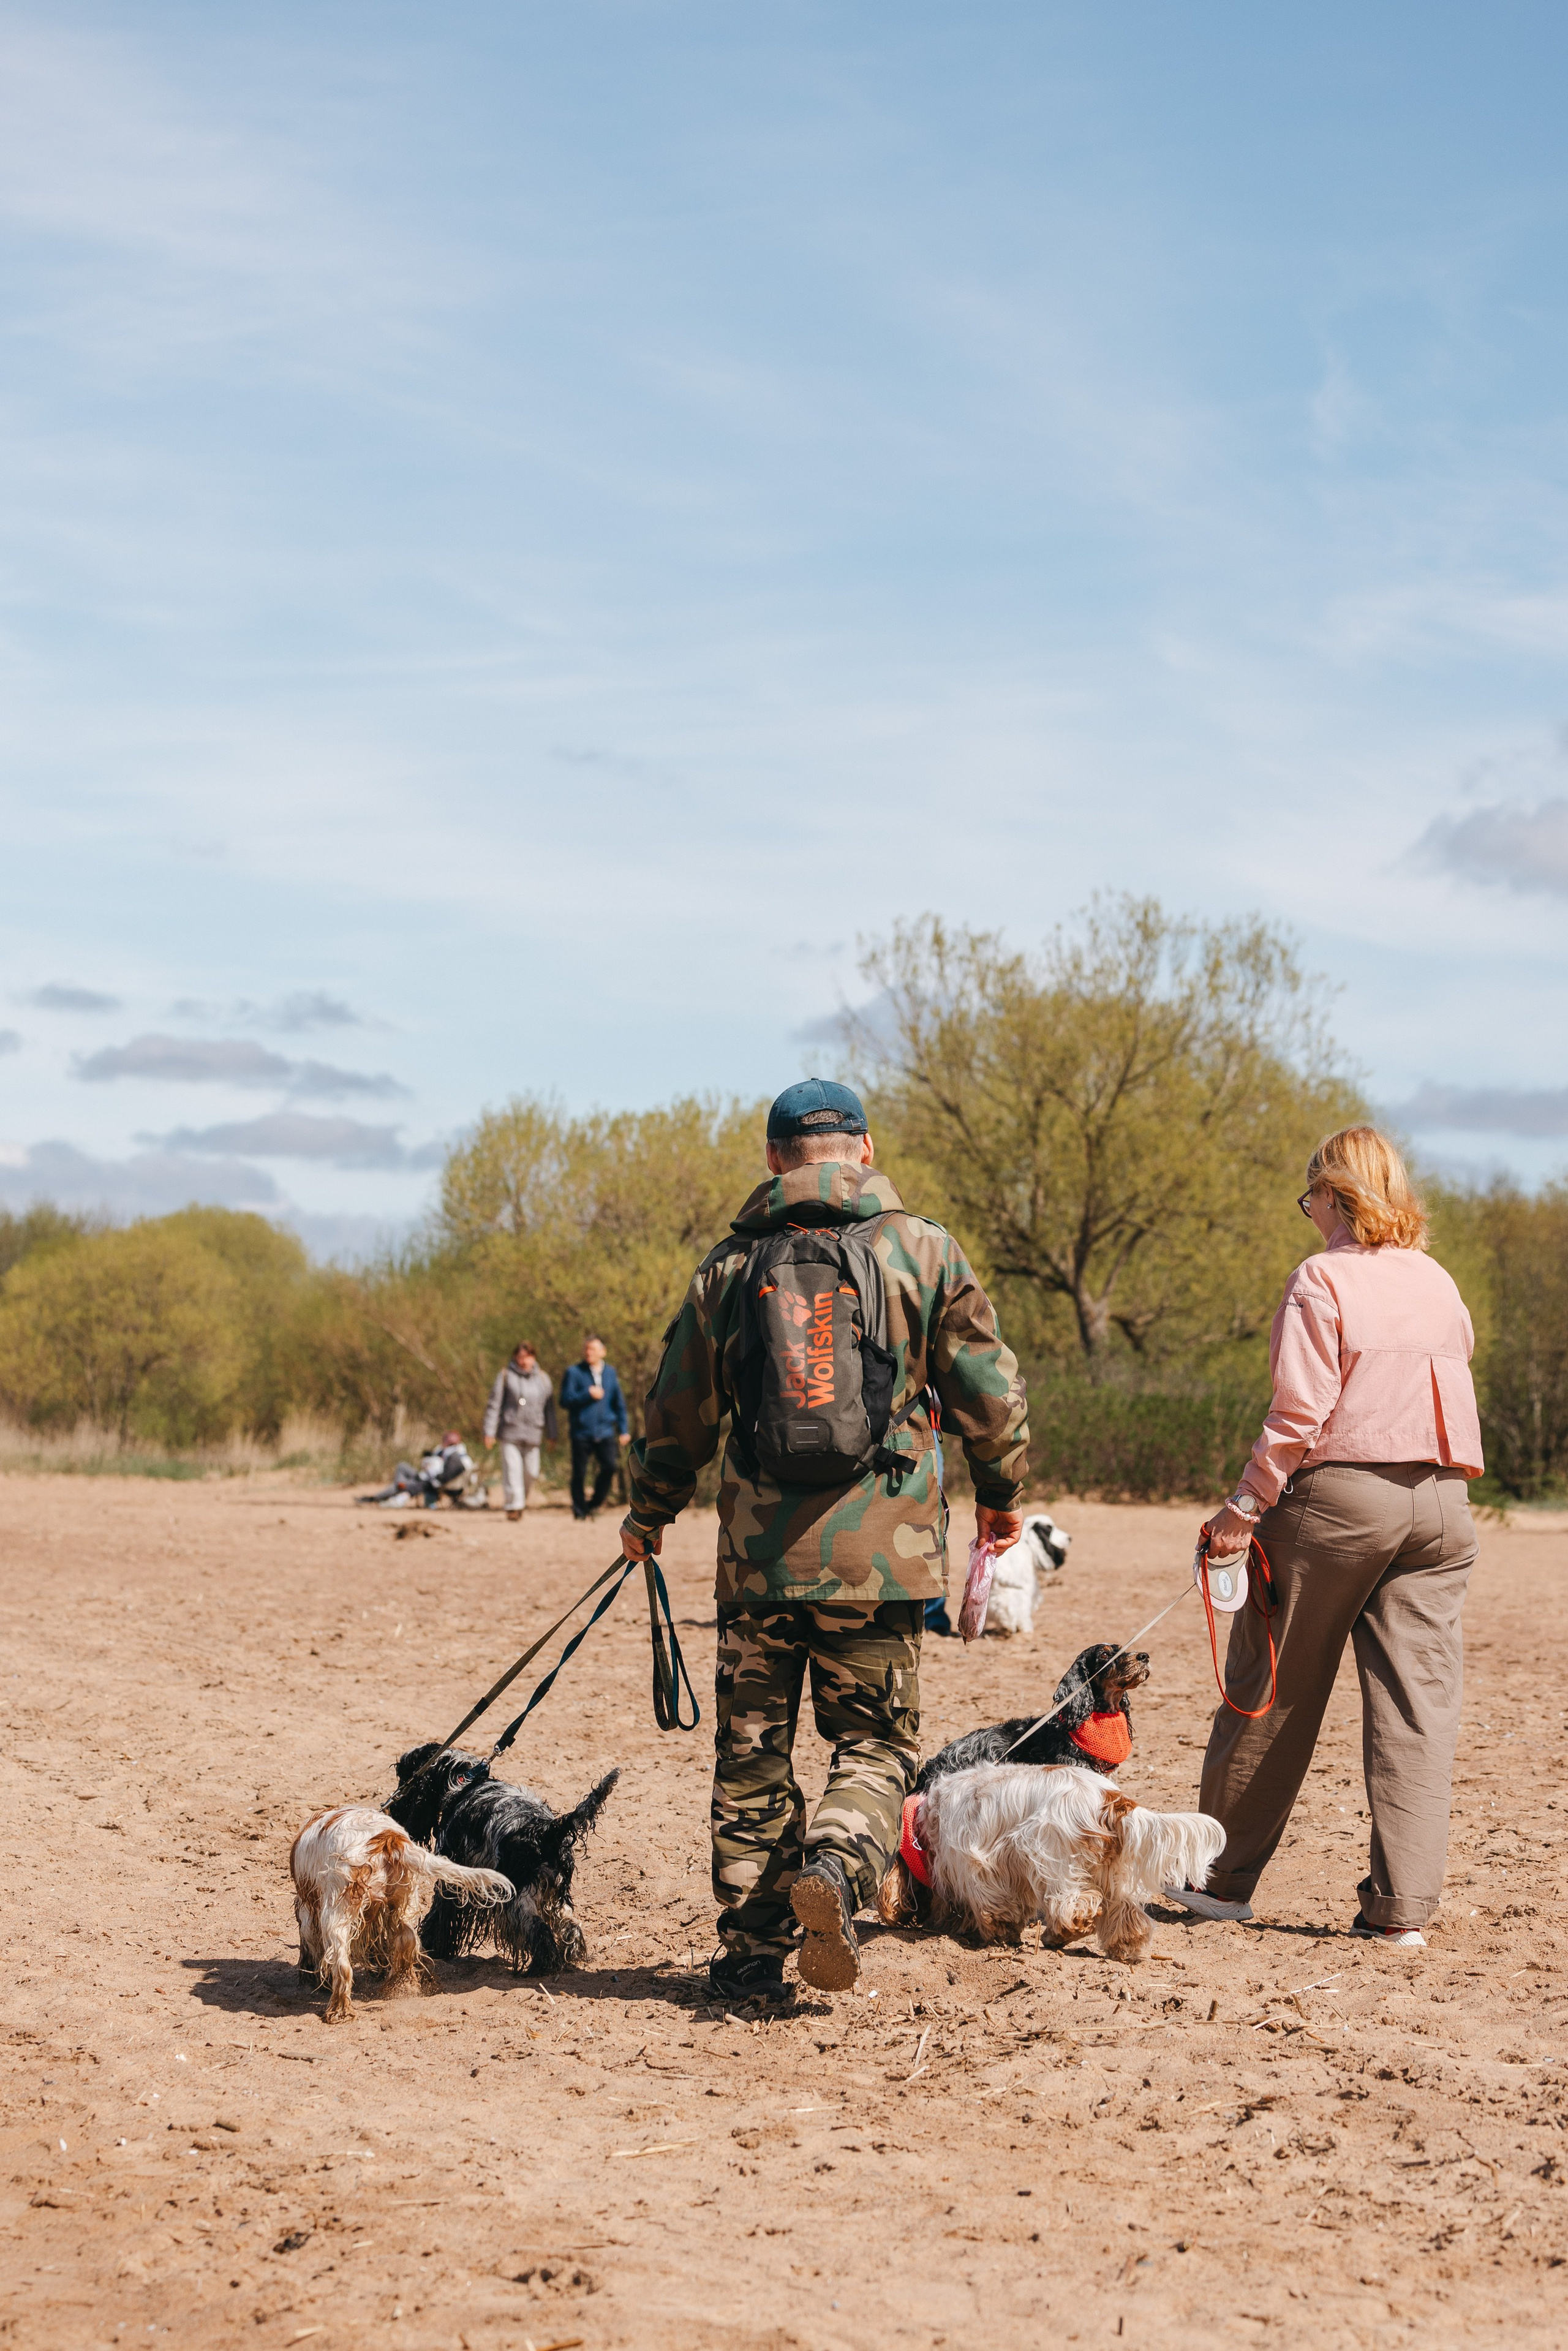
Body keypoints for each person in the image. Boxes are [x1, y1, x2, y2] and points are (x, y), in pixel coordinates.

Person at [619, 1077, 1030, 2009]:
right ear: (866, 1149)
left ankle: (751, 1956)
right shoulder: (924, 1251)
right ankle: (841, 1871)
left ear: (774, 1158)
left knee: (754, 1755)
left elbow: (676, 1413)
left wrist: (649, 1513)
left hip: (758, 1565)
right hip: (881, 1560)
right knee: (876, 1744)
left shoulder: (728, 1268)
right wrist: (1003, 1498)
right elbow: (990, 1399)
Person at [1169, 1126, 1483, 1949]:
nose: (1310, 1216)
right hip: (1444, 1505)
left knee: (1270, 1684)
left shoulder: (1322, 1278)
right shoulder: (1439, 1281)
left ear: (1339, 1197)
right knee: (1418, 1711)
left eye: (1312, 1200)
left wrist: (1241, 1510)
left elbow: (1299, 1415)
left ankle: (1217, 1880)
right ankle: (1402, 1910)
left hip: (1339, 1501)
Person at [482, 1342, 559, 1521]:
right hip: (509, 1431)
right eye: (521, 1357)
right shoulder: (505, 1376)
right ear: (515, 1357)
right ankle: (513, 1507)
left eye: (528, 1357)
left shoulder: (543, 1379)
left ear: (534, 1358)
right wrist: (489, 1432)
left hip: (534, 1433)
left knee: (532, 1472)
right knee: (512, 1470)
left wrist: (552, 1433)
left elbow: (550, 1409)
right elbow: (494, 1405)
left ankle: (520, 1500)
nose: (524, 1361)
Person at [560, 1334, 630, 1520]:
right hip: (581, 1432)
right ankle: (580, 1510)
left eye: (592, 1349)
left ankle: (595, 1503)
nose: (588, 1352)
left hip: (606, 1431)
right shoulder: (574, 1372)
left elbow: (619, 1404)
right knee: (579, 1473)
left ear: (602, 1352)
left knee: (610, 1467)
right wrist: (587, 1394)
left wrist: (624, 1430)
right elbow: (565, 1400)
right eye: (586, 1349)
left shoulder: (611, 1373)